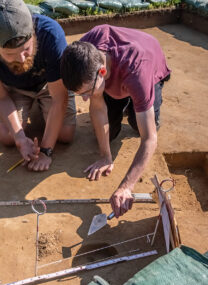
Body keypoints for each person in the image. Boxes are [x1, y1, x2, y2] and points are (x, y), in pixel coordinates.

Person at [61, 25, 170, 218]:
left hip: (148, 65)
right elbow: (96, 105)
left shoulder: (137, 72)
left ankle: (134, 103)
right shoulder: (83, 55)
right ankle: (125, 101)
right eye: (80, 94)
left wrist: (126, 187)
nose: (84, 99)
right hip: (113, 77)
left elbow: (149, 139)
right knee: (109, 133)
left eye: (86, 93)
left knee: (141, 126)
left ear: (102, 72)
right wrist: (105, 156)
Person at [0, 0, 76, 171]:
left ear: (33, 31)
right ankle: (30, 110)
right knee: (7, 137)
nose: (22, 59)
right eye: (10, 54)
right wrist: (19, 139)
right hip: (13, 89)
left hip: (50, 85)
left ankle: (40, 109)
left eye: (27, 49)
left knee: (65, 134)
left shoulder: (51, 33)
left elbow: (59, 97)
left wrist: (46, 150)